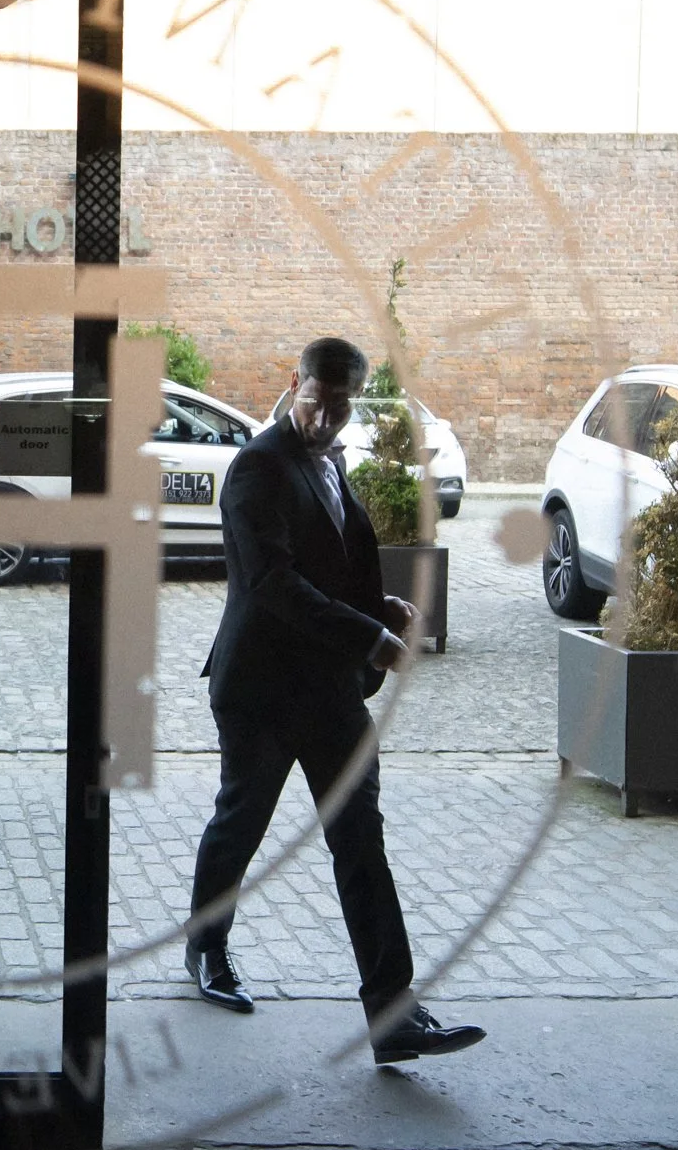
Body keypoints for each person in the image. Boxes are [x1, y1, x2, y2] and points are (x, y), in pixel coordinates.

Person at [185, 336, 486, 1065]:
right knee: (241, 824)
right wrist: (370, 636)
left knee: (359, 841)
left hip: (329, 692)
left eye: (342, 406)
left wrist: (377, 606)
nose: (326, 418)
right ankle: (206, 948)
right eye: (317, 401)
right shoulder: (256, 466)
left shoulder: (332, 461)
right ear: (295, 385)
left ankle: (392, 1013)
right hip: (260, 689)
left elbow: (328, 564)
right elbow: (273, 582)